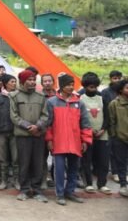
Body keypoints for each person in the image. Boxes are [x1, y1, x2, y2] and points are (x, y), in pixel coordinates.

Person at [46, 74, 92, 205]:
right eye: (68, 85)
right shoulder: (51, 102)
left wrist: (85, 140)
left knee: (74, 169)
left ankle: (70, 192)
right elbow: (48, 124)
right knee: (59, 170)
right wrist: (49, 140)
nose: (71, 87)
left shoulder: (79, 103)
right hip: (58, 142)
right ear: (61, 86)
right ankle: (60, 194)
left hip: (75, 142)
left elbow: (85, 123)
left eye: (72, 85)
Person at [10, 69, 48, 202]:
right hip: (23, 135)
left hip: (38, 135)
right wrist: (28, 126)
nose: (32, 82)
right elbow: (14, 116)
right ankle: (24, 190)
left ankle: (37, 190)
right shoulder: (14, 96)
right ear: (22, 82)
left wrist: (37, 126)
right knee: (24, 163)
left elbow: (45, 115)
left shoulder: (41, 96)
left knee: (38, 163)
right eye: (29, 80)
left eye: (34, 80)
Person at [79, 72, 111, 194]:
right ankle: (88, 183)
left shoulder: (102, 99)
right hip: (86, 135)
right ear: (85, 86)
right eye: (90, 86)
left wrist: (103, 129)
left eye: (95, 86)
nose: (93, 88)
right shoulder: (80, 99)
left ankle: (102, 184)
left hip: (102, 135)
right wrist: (89, 130)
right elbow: (79, 118)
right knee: (87, 160)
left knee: (103, 161)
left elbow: (107, 117)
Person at [0, 74, 18, 190]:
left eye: (15, 81)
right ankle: (4, 181)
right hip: (1, 131)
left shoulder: (18, 96)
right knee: (2, 158)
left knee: (16, 158)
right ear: (6, 84)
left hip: (15, 131)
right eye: (12, 81)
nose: (14, 83)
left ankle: (16, 181)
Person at [102, 70, 123, 183]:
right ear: (110, 79)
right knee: (112, 150)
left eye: (119, 78)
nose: (117, 80)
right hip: (110, 125)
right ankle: (115, 172)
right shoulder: (105, 92)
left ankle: (122, 172)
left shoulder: (123, 91)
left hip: (122, 125)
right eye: (115, 78)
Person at [108, 79, 128, 197]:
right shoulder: (114, 104)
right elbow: (111, 122)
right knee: (121, 163)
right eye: (127, 88)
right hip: (120, 139)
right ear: (121, 90)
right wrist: (114, 136)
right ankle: (123, 185)